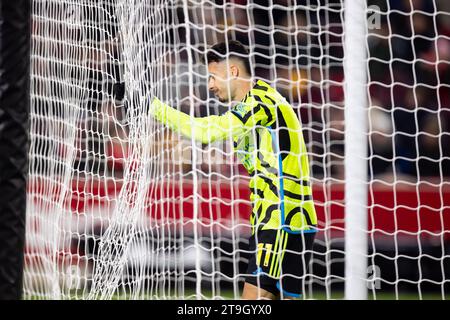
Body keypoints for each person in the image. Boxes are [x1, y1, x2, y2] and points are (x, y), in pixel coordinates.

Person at [150, 40, 317, 299]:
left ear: (234, 72)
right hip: (289, 218)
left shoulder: (261, 103)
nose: (210, 85)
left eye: (213, 77)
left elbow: (206, 132)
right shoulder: (256, 103)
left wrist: (153, 107)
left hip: (279, 219)